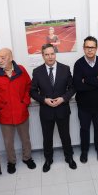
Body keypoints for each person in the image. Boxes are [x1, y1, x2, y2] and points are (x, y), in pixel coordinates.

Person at [0, 48, 36, 174]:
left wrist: (25, 102)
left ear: (11, 58)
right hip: (4, 113)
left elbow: (29, 86)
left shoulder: (21, 70)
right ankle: (11, 161)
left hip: (21, 111)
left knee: (25, 138)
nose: (0, 60)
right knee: (8, 141)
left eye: (3, 57)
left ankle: (27, 158)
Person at [30, 44, 77, 172]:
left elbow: (72, 88)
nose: (50, 57)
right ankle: (48, 159)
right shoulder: (37, 71)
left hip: (62, 109)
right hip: (46, 111)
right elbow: (33, 92)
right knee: (47, 137)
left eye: (52, 54)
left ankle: (69, 157)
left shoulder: (65, 69)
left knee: (65, 136)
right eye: (47, 54)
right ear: (43, 56)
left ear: (55, 54)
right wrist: (44, 100)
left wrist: (63, 98)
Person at [73, 36, 98, 163]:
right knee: (84, 129)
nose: (90, 50)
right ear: (84, 48)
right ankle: (84, 151)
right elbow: (78, 86)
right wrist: (97, 79)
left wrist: (87, 79)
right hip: (83, 105)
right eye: (87, 47)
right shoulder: (78, 64)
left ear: (96, 49)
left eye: (92, 47)